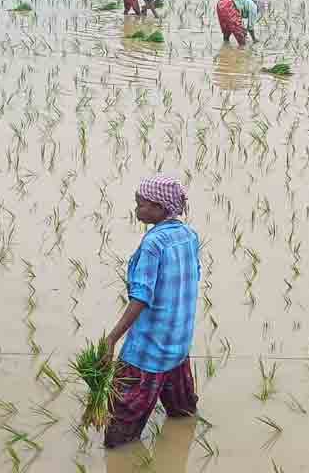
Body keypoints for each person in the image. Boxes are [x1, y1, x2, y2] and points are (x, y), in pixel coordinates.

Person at [103, 175, 201, 448]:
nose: (136, 209)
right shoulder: (189, 236)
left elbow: (141, 298)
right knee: (183, 414)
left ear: (159, 208)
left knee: (119, 434)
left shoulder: (152, 244)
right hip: (178, 344)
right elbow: (193, 279)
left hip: (148, 351)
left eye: (141, 204)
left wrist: (111, 339)